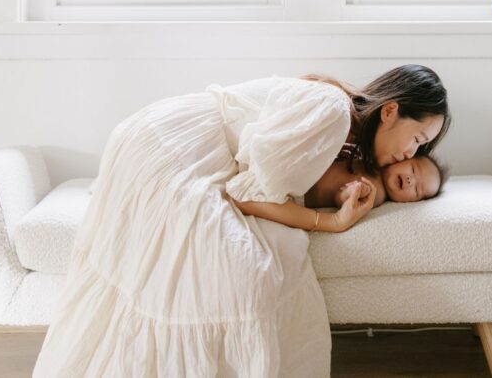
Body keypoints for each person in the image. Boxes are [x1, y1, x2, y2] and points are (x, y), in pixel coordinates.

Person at [32, 64, 449, 378]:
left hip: (190, 146)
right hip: (172, 145)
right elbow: (248, 195)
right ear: (391, 110)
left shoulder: (350, 143)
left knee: (244, 273)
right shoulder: (333, 112)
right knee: (231, 270)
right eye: (417, 139)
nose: (410, 153)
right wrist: (329, 224)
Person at [303, 153, 447, 209]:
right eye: (413, 169)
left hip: (303, 191)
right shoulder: (376, 159)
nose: (411, 181)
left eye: (417, 190)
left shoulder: (376, 192)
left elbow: (339, 200)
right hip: (304, 166)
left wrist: (351, 193)